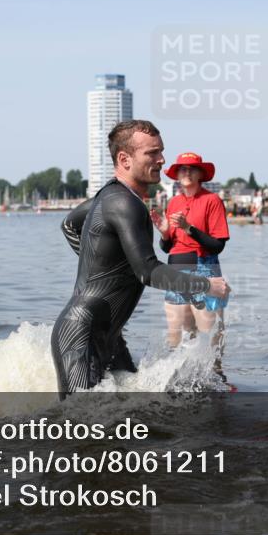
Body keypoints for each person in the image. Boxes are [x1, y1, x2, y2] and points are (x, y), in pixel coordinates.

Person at [51, 121, 230, 399]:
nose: (161, 160)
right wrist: (205, 286)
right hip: (81, 334)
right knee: (81, 430)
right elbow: (147, 270)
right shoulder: (122, 202)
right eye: (152, 153)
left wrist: (107, 265)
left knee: (133, 419)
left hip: (109, 336)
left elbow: (69, 226)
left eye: (161, 152)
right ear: (124, 159)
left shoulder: (113, 197)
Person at [152, 152, 230, 349]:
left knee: (210, 338)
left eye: (191, 169)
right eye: (182, 169)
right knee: (176, 339)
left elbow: (218, 246)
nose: (186, 172)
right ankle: (181, 379)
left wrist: (189, 228)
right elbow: (168, 248)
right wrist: (164, 234)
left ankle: (216, 376)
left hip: (204, 269)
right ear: (177, 175)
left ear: (200, 174)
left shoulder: (212, 200)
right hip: (175, 272)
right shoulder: (173, 203)